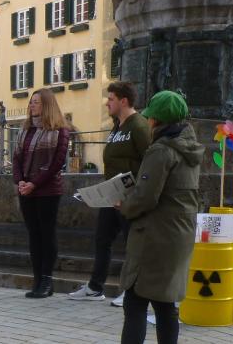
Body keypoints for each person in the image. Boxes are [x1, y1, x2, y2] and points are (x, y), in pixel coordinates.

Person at [117, 90, 203, 344]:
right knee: (165, 304)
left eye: (150, 118)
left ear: (156, 120)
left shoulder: (161, 151)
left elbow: (146, 197)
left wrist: (124, 206)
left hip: (155, 236)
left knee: (134, 303)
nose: (148, 122)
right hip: (178, 234)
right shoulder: (190, 148)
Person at [69, 82, 151, 307]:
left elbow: (149, 161)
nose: (107, 102)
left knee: (131, 243)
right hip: (111, 195)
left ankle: (132, 291)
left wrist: (136, 195)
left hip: (128, 198)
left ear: (124, 101)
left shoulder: (139, 126)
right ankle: (96, 287)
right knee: (102, 239)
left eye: (111, 98)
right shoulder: (117, 126)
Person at [12, 88, 71, 299]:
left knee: (47, 234)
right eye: (31, 102)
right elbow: (16, 157)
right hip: (26, 190)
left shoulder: (60, 130)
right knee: (34, 236)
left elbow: (56, 163)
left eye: (36, 102)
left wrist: (34, 184)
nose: (32, 105)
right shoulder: (25, 129)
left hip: (47, 191)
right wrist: (20, 181)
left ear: (46, 105)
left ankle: (47, 280)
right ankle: (37, 279)